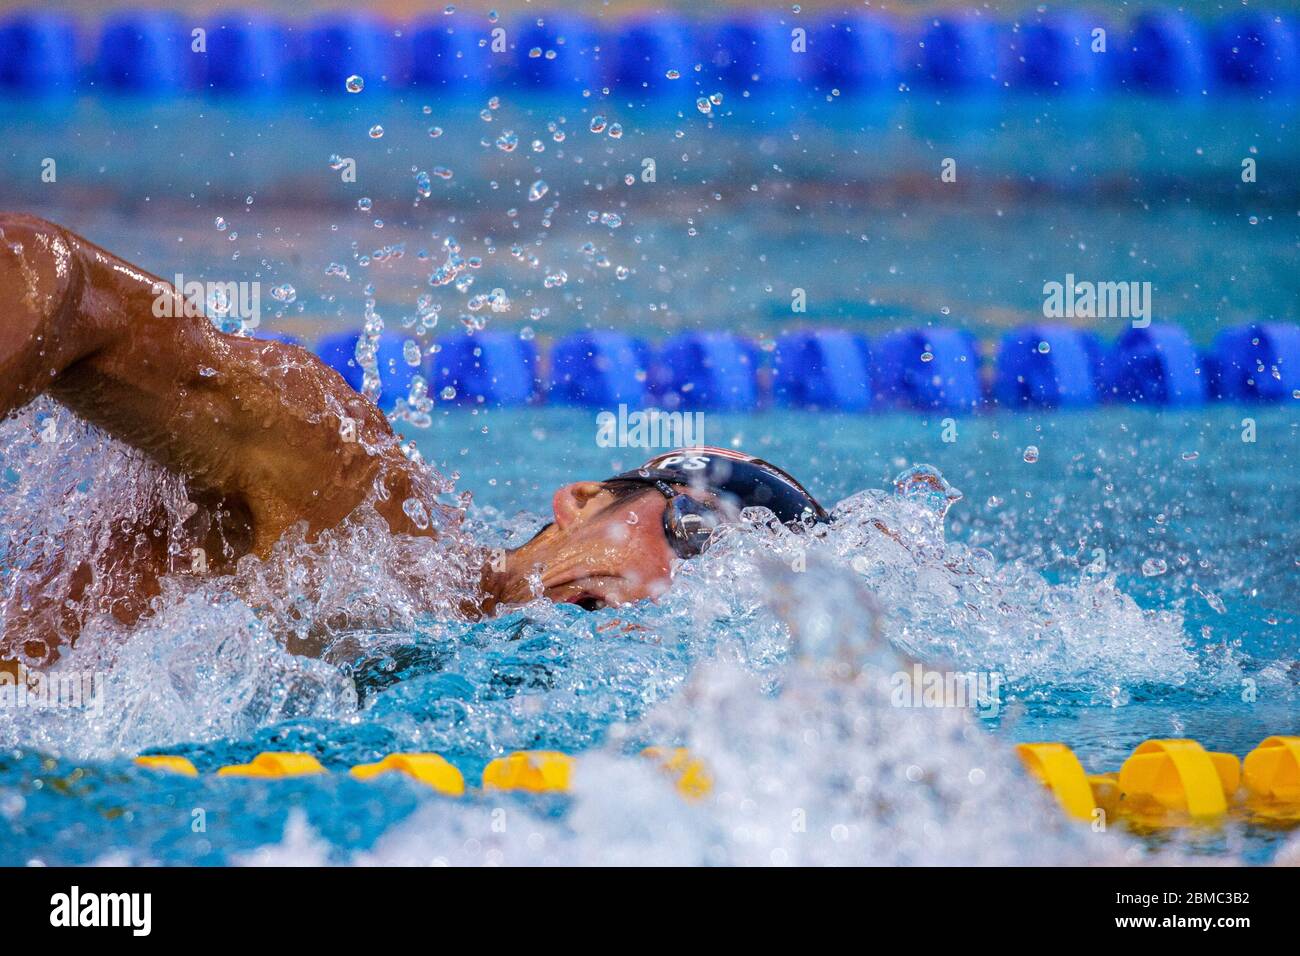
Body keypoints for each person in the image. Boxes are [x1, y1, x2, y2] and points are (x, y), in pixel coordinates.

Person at [0, 214, 827, 670]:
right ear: (581, 501)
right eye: (693, 532)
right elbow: (53, 276)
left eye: (724, 582)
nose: (667, 586)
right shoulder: (353, 497)